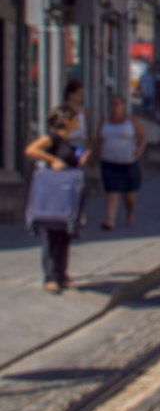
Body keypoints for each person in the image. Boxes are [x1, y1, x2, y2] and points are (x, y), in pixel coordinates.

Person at [25, 106, 89, 293]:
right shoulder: (52, 138)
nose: (78, 122)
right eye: (76, 119)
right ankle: (50, 277)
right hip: (53, 193)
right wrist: (52, 160)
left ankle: (62, 274)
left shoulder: (70, 141)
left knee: (65, 234)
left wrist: (80, 160)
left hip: (68, 193)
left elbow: (71, 161)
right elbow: (31, 150)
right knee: (51, 235)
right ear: (66, 121)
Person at [96, 95, 146, 230]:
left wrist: (139, 150)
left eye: (117, 104)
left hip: (128, 160)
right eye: (113, 104)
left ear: (123, 106)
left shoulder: (131, 120)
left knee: (129, 193)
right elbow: (99, 139)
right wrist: (97, 154)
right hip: (108, 159)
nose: (115, 106)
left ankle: (130, 214)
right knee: (111, 190)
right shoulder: (104, 121)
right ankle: (109, 220)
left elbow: (142, 137)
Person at [63, 80, 90, 161]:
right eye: (79, 94)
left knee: (78, 166)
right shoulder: (63, 111)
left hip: (80, 146)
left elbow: (88, 130)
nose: (81, 97)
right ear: (71, 94)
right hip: (66, 146)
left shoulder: (83, 111)